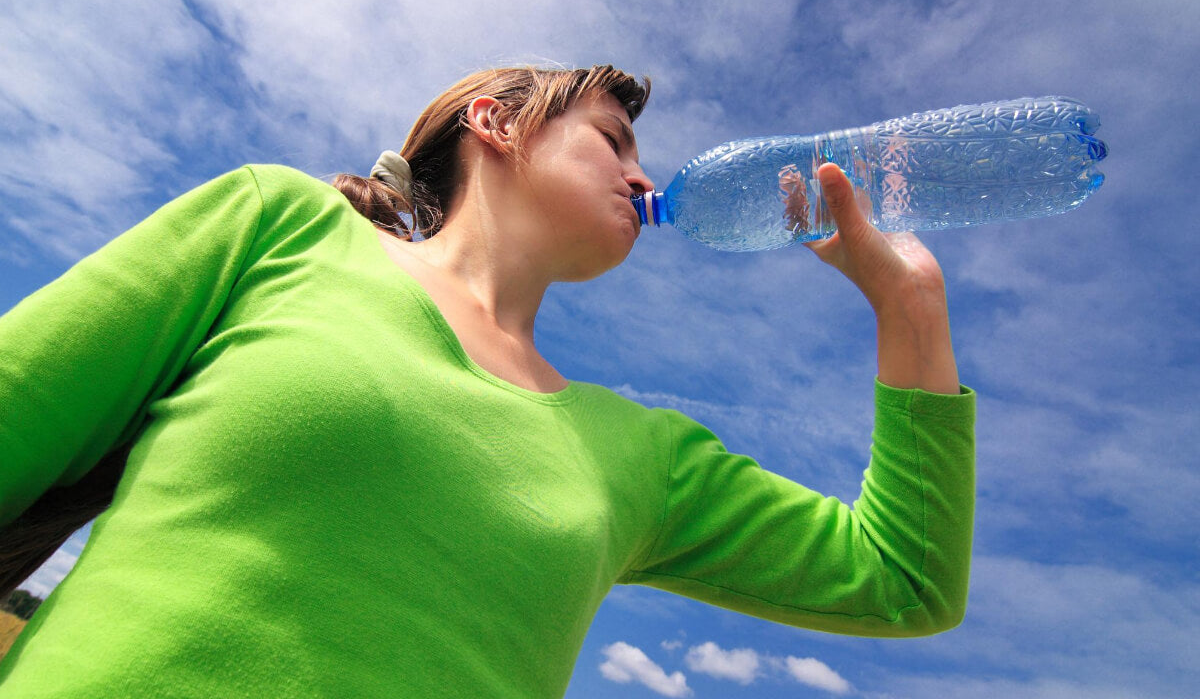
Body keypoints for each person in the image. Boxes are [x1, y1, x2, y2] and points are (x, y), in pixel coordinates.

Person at [0, 65, 974, 698]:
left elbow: (905, 578)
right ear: (496, 122)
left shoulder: (646, 455)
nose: (644, 178)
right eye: (612, 139)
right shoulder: (281, 226)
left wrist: (910, 305)